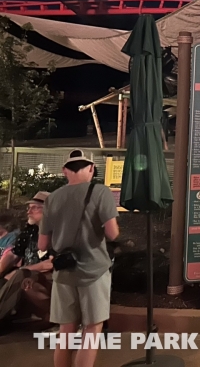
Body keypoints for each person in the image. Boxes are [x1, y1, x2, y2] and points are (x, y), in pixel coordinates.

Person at [38, 149, 119, 367]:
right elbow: (113, 233)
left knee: (66, 331)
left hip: (63, 272)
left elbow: (42, 244)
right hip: (94, 271)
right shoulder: (101, 192)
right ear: (91, 168)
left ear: (65, 170)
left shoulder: (52, 198)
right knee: (92, 330)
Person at [0, 191, 53, 323]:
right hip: (27, 274)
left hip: (47, 277)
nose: (29, 212)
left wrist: (22, 270)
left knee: (20, 275)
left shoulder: (56, 232)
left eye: (35, 208)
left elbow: (50, 264)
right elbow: (14, 253)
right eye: (28, 208)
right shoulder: (30, 230)